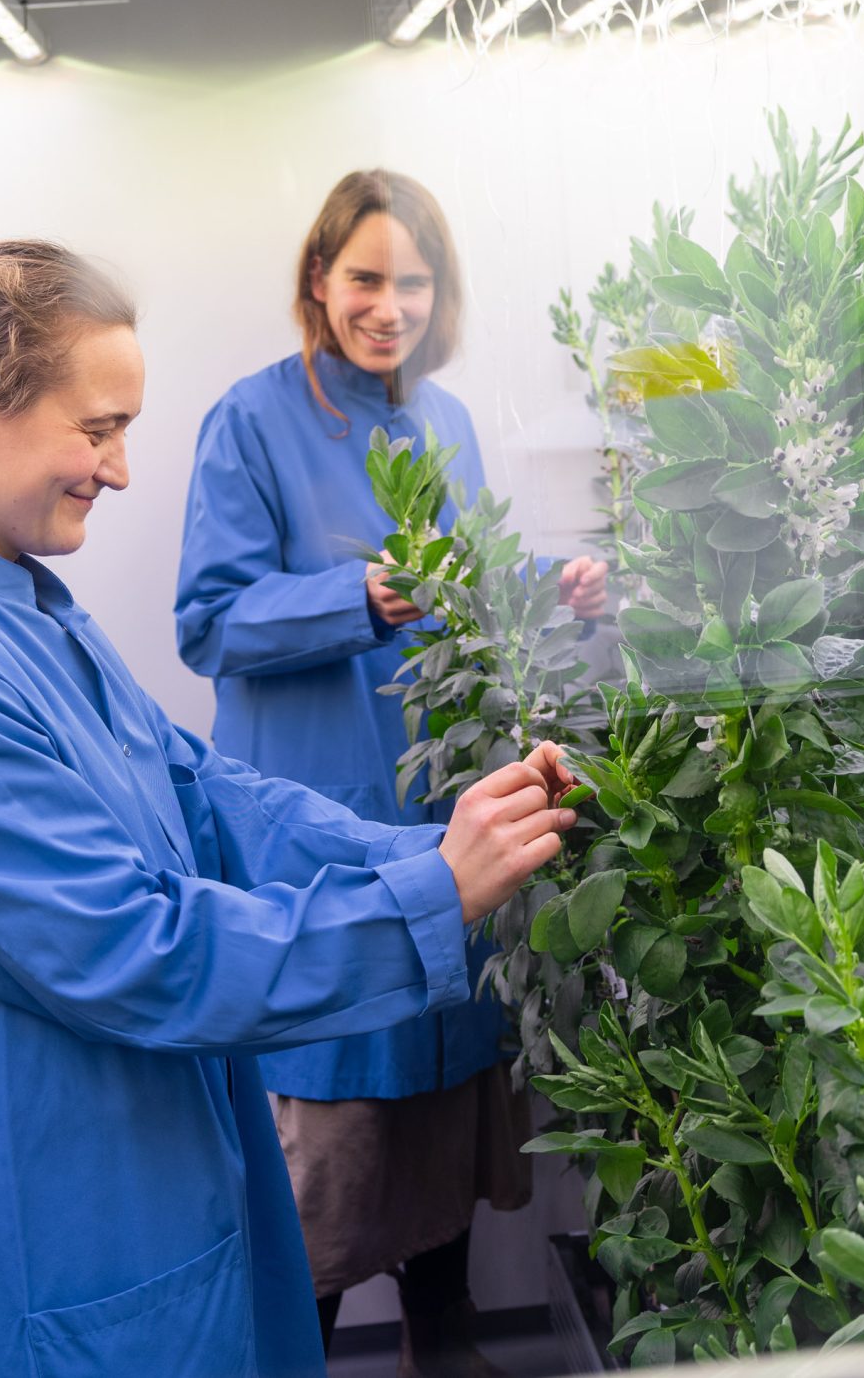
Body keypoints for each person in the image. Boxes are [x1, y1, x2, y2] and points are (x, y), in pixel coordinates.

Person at [0, 240, 577, 1378]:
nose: (117, 470)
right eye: (97, 428)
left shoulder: (22, 609)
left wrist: (440, 846)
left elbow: (208, 793)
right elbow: (134, 948)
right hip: (70, 1258)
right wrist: (428, 892)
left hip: (160, 1195)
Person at [174, 173, 606, 1375]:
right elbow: (207, 623)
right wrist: (355, 599)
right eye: (365, 277)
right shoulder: (249, 422)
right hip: (317, 842)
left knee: (438, 1196)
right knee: (321, 1183)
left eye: (412, 282)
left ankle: (446, 1345)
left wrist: (552, 593)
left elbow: (464, 613)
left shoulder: (447, 424)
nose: (390, 305)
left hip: (440, 832)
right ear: (318, 281)